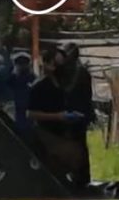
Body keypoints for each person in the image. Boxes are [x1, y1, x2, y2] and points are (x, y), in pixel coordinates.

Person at [27, 48, 91, 189]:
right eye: (56, 63)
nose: (60, 67)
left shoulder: (62, 83)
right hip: (47, 134)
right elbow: (31, 113)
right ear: (47, 64)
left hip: (65, 132)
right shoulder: (39, 86)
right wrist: (57, 117)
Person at [60, 42, 96, 187]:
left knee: (76, 146)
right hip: (75, 116)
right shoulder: (76, 71)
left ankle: (78, 177)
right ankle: (79, 177)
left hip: (74, 116)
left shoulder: (77, 72)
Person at [4, 50, 36, 135]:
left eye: (24, 63)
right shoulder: (11, 79)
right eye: (19, 63)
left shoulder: (33, 79)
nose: (22, 65)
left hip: (30, 114)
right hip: (16, 112)